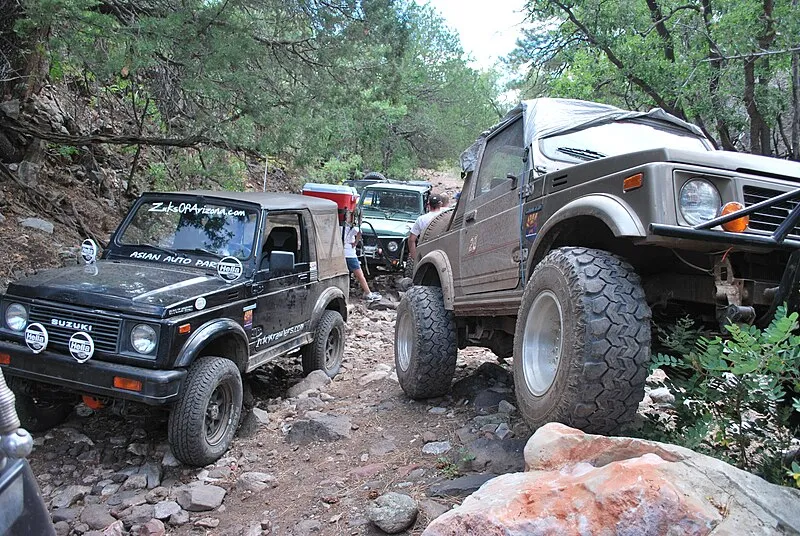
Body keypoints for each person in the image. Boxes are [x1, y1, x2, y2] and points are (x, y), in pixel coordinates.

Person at [342, 210, 381, 302]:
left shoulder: (340, 227)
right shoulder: (354, 228)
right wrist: (355, 242)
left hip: (340, 253)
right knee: (360, 275)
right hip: (350, 254)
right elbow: (360, 232)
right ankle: (368, 293)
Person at [408, 193, 448, 260]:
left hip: (425, 253)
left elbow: (411, 240)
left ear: (428, 204)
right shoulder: (447, 216)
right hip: (443, 253)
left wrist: (414, 257)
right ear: (440, 204)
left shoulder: (421, 219)